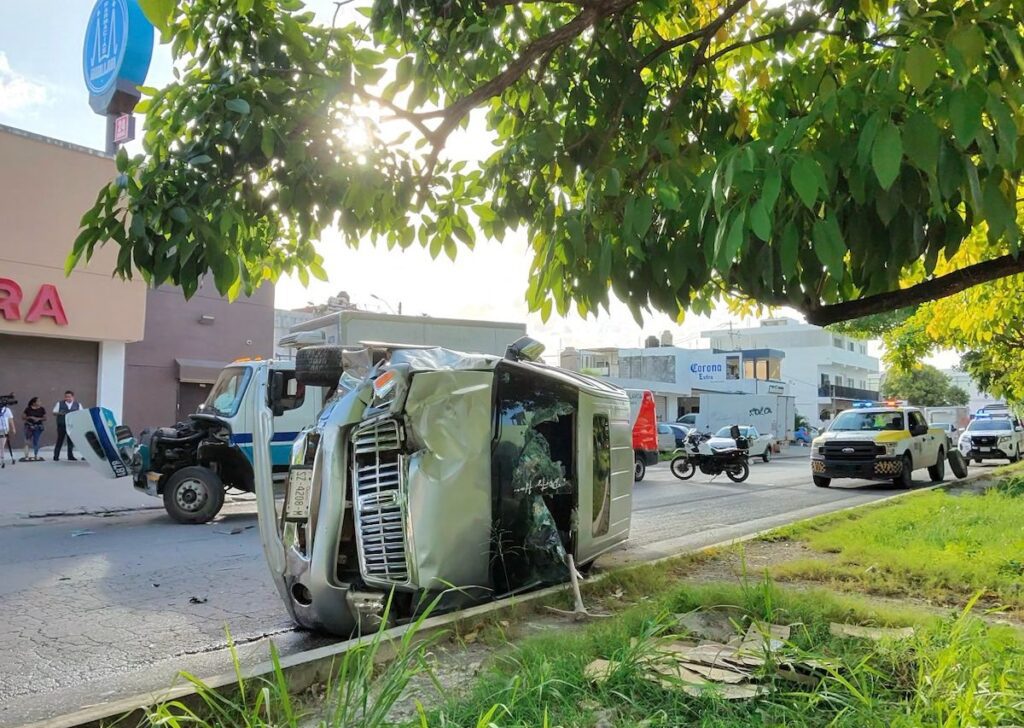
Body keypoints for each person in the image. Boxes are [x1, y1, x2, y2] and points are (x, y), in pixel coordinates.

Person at [53, 390, 81, 462]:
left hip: (72, 425)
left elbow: (81, 413)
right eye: (66, 397)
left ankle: (70, 456)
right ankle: (56, 456)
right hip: (62, 425)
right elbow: (54, 412)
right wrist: (60, 413)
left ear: (73, 397)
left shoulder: (78, 404)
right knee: (60, 440)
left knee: (70, 441)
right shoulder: (59, 403)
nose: (67, 398)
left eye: (69, 397)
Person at [22, 397, 46, 461]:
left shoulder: (42, 409)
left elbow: (45, 418)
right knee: (27, 441)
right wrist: (30, 417)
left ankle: (36, 455)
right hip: (29, 426)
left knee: (36, 441)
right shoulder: (28, 409)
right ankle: (26, 456)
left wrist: (38, 419)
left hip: (38, 426)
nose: (40, 402)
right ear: (34, 403)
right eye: (38, 401)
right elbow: (23, 417)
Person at [0, 400, 15, 469]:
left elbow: (10, 419)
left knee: (1, 445)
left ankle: (2, 460)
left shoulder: (7, 410)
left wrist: (13, 428)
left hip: (3, 429)